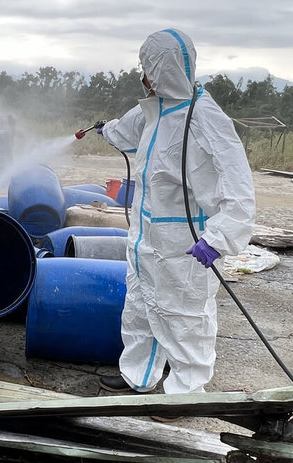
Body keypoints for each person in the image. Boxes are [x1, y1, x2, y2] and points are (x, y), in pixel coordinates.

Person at [97, 28, 255, 395]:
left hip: (186, 245)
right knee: (139, 309)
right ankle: (138, 376)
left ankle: (185, 394)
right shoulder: (154, 110)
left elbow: (239, 191)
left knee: (184, 319)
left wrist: (217, 239)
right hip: (145, 238)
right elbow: (126, 131)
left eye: (147, 67)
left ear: (162, 68)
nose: (143, 75)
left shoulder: (205, 121)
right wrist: (106, 131)